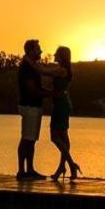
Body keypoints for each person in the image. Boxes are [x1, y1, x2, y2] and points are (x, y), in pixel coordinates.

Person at [46, 46, 81, 180]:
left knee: (54, 137)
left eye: (56, 54)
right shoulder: (64, 70)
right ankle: (62, 167)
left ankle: (71, 164)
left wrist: (29, 62)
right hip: (62, 103)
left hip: (60, 105)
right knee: (63, 137)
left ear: (62, 56)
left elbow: (44, 71)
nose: (54, 55)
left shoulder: (61, 70)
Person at [16, 39, 49, 179]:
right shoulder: (27, 68)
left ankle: (29, 169)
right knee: (27, 139)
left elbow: (36, 88)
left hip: (33, 106)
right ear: (30, 51)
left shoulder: (32, 66)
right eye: (38, 49)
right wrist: (51, 94)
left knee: (31, 139)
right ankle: (22, 171)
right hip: (30, 106)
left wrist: (47, 91)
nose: (40, 51)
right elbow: (32, 91)